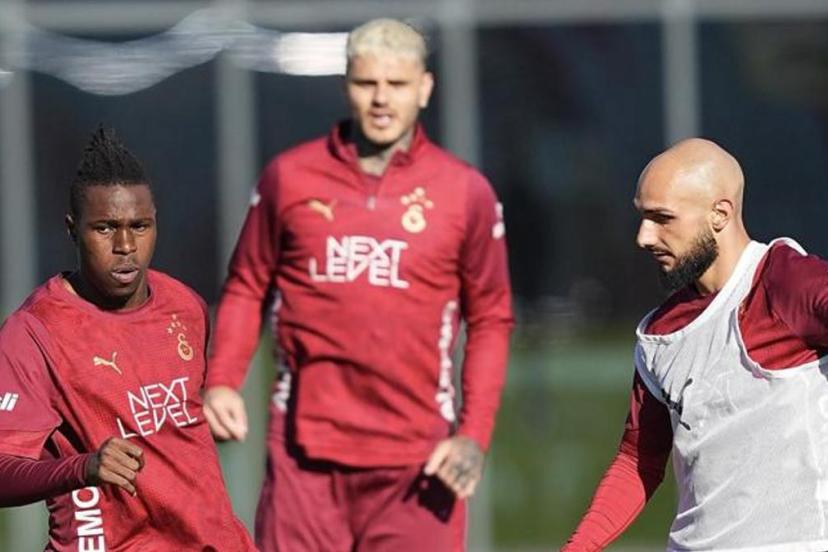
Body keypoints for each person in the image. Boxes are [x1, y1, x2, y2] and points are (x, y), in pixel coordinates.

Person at [203, 17, 513, 552]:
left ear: (425, 88)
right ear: (346, 85)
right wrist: (223, 379)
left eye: (397, 84)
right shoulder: (289, 178)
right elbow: (247, 283)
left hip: (420, 462)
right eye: (367, 83)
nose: (381, 99)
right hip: (304, 457)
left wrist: (473, 434)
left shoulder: (465, 192)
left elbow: (491, 318)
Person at [563, 138, 828, 551]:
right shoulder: (660, 332)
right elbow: (637, 460)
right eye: (642, 216)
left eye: (662, 218)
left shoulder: (784, 281)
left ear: (720, 213)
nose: (644, 236)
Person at [0, 127, 256, 551]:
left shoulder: (185, 306)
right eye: (105, 228)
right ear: (72, 229)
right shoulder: (34, 331)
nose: (125, 245)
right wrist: (82, 468)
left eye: (139, 226)